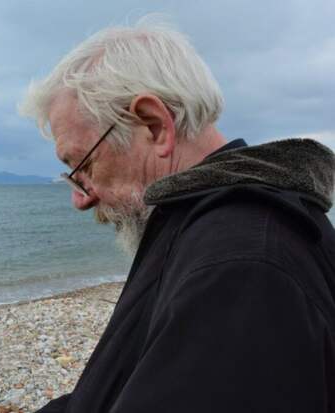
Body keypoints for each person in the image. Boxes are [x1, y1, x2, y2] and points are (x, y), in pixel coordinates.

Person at [19, 19, 335, 412]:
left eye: (82, 166)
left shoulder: (241, 268)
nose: (80, 200)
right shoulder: (192, 226)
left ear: (154, 126)